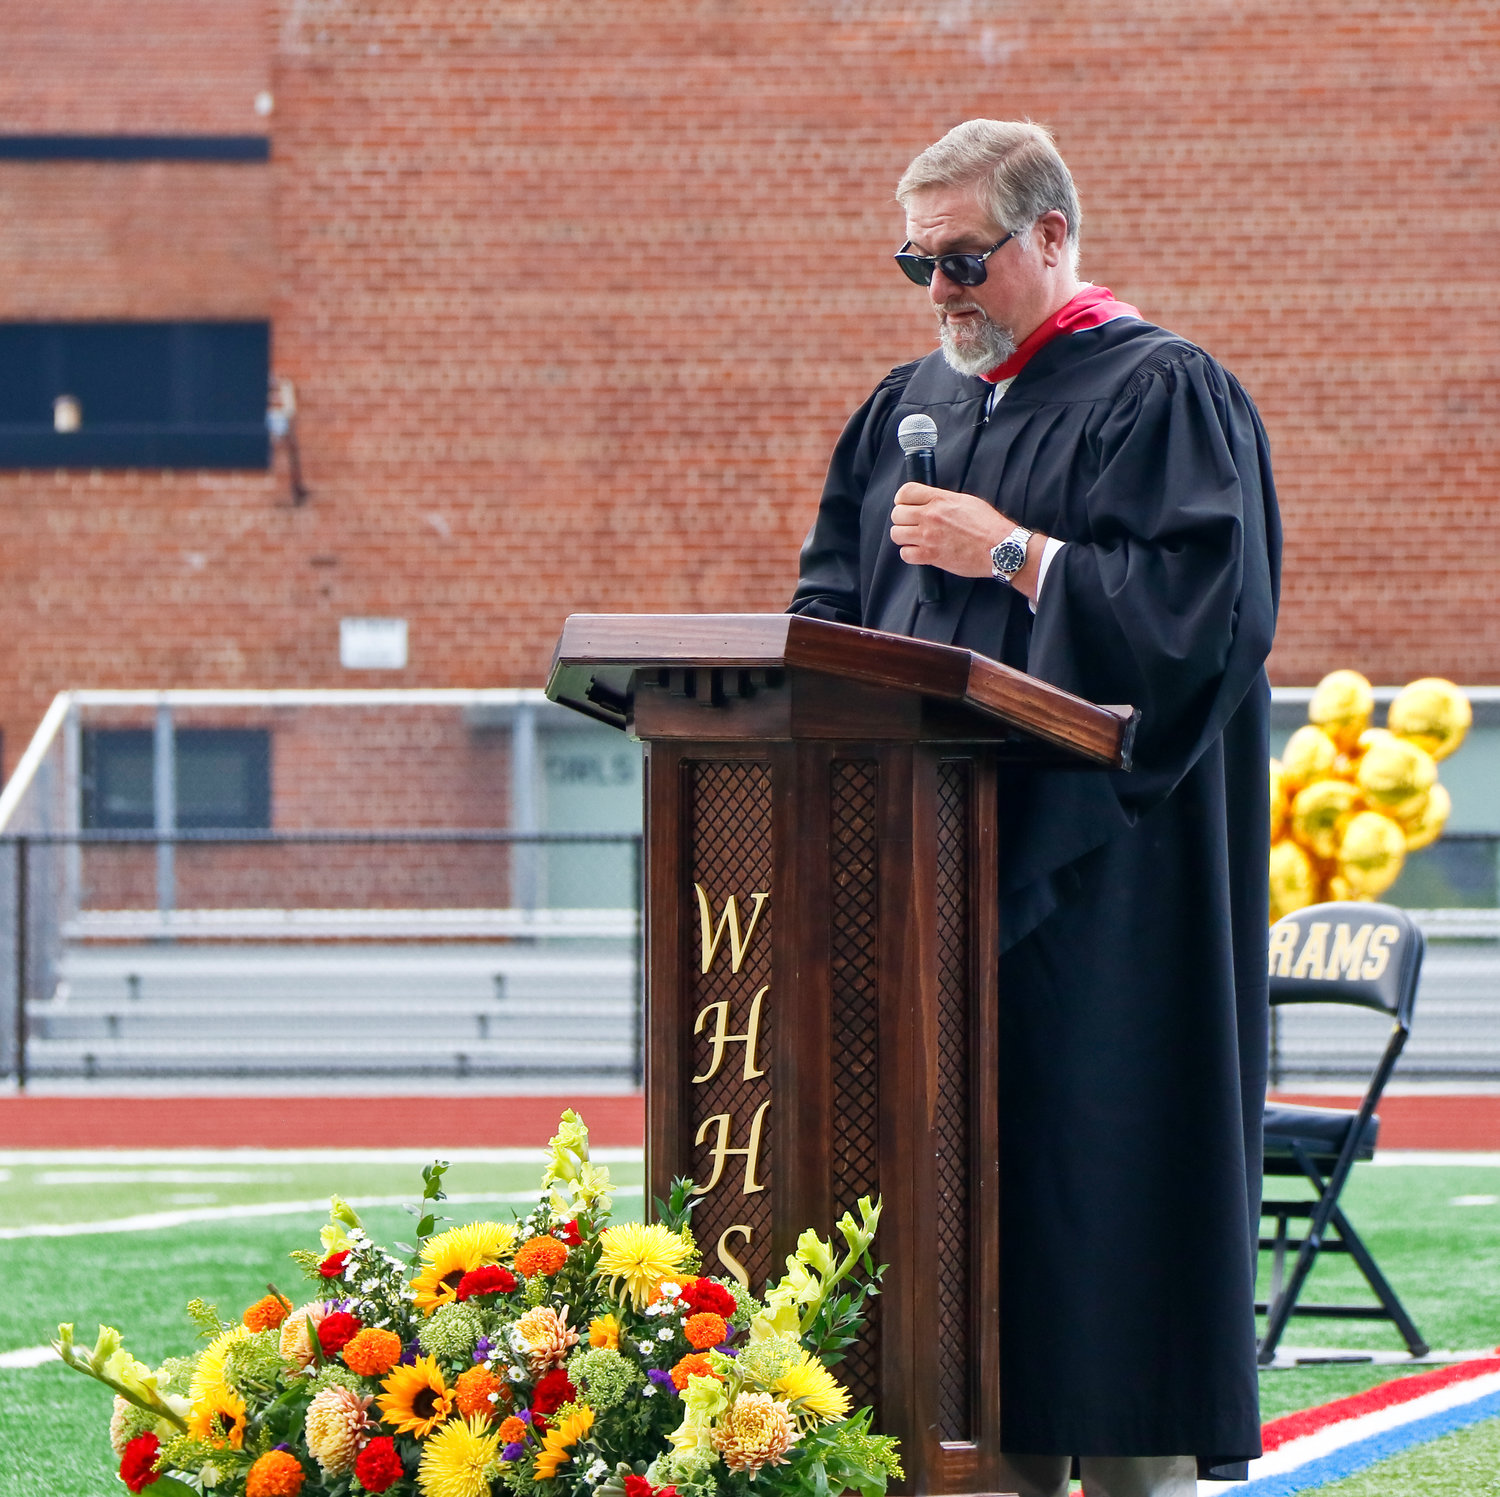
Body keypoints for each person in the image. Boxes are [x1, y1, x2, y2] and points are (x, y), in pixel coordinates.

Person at [790, 120, 1281, 1497]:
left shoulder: (1165, 393)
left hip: (1103, 905)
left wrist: (1011, 554)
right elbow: (828, 609)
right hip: (923, 901)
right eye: (917, 261)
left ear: (1051, 237)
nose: (939, 289)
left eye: (964, 258)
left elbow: (1198, 630)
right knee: (954, 1295)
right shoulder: (905, 412)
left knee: (1095, 1225)